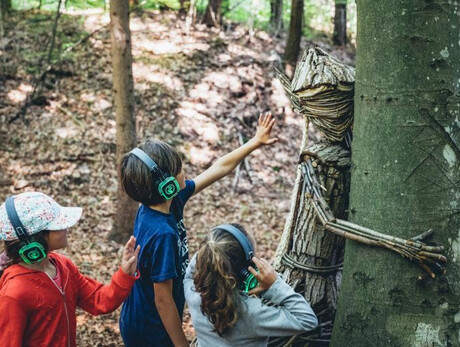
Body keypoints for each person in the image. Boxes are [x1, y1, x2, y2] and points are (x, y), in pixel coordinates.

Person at [119, 113, 278, 346]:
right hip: (150, 331)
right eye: (179, 169)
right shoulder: (162, 234)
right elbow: (163, 300)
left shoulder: (164, 203)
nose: (185, 171)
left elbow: (219, 168)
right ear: (167, 185)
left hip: (144, 318)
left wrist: (254, 142)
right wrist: (181, 344)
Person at [0, 192, 140, 347]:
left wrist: (125, 274)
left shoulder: (63, 266)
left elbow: (99, 299)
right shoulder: (14, 293)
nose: (66, 226)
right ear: (34, 239)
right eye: (57, 224)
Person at [184, 224, 318, 346]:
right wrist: (274, 284)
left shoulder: (193, 293)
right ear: (247, 268)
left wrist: (214, 248)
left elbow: (189, 273)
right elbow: (307, 319)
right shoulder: (252, 313)